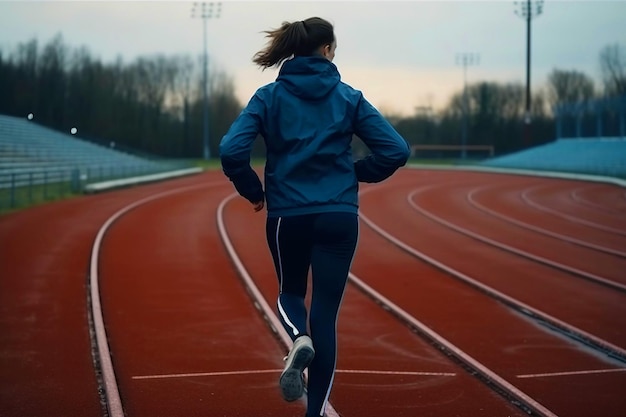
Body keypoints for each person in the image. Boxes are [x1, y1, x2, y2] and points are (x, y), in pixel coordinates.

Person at [219, 16, 410, 417]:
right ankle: (315, 412)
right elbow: (396, 150)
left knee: (291, 292)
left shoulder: (267, 97)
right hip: (339, 215)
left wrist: (253, 191)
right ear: (326, 50)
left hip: (288, 215)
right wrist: (356, 173)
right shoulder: (348, 97)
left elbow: (231, 151)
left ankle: (297, 337)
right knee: (326, 310)